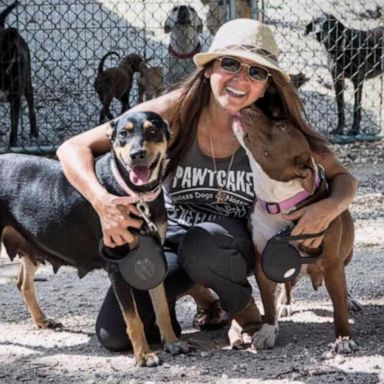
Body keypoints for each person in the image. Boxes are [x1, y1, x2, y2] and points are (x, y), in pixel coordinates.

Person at [56, 18, 357, 351]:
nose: (242, 79)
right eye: (230, 64)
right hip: (170, 240)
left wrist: (329, 207)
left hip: (230, 245)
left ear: (267, 83)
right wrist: (102, 203)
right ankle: (204, 297)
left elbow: (343, 178)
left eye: (256, 72)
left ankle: (243, 312)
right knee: (114, 335)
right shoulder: (175, 110)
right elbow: (72, 148)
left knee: (205, 244)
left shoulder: (271, 127)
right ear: (209, 67)